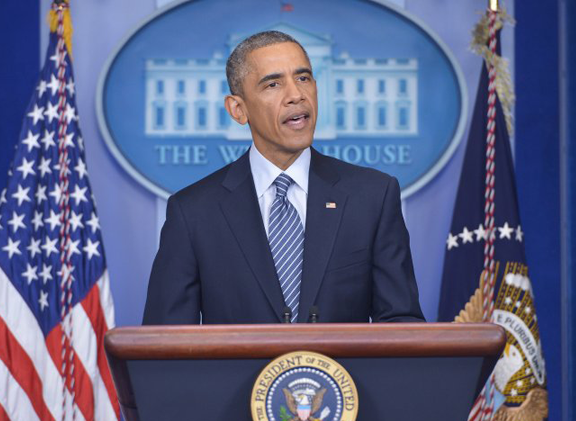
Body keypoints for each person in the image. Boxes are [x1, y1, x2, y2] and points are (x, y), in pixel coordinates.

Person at [143, 31, 424, 325]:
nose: (296, 95)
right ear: (238, 109)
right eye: (273, 84)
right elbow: (165, 341)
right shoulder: (193, 212)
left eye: (303, 78)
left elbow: (401, 325)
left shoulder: (373, 197)